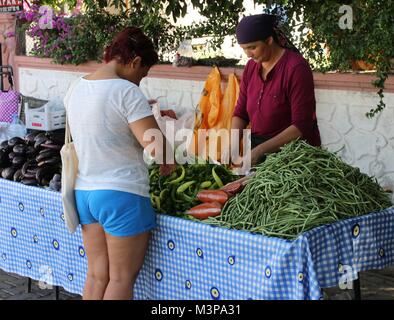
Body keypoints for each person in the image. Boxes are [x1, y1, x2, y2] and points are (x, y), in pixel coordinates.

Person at [64, 27, 173, 300]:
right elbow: (156, 148)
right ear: (135, 62)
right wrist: (169, 158)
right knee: (121, 279)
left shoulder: (76, 86)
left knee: (96, 275)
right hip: (121, 194)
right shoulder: (126, 92)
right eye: (142, 74)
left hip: (85, 194)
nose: (140, 81)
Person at [231, 14, 321, 166]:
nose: (248, 54)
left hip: (294, 156)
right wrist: (232, 144)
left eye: (252, 47)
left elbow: (301, 126)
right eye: (244, 49)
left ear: (269, 40)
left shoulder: (296, 68)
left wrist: (260, 151)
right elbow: (240, 112)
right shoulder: (251, 68)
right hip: (259, 151)